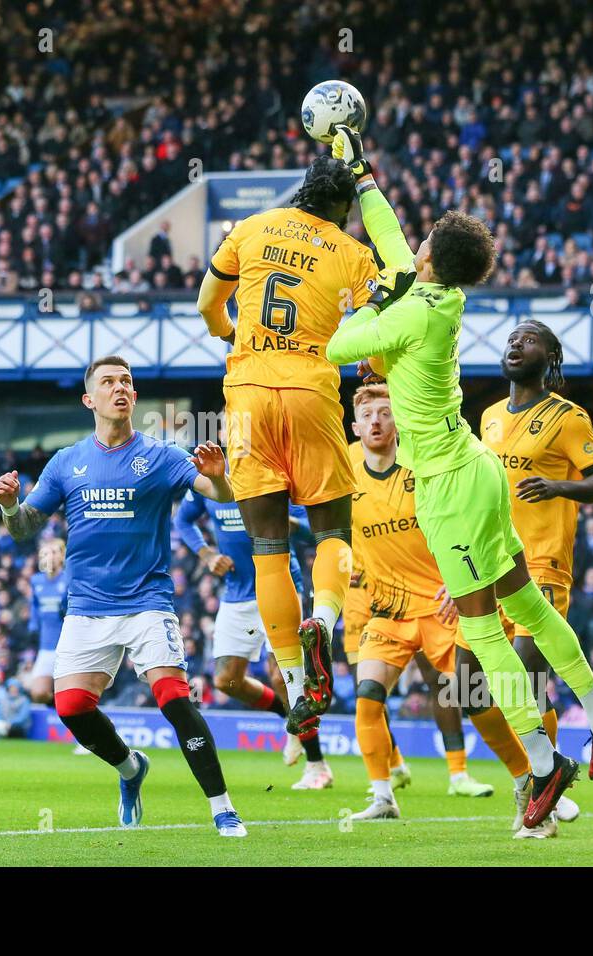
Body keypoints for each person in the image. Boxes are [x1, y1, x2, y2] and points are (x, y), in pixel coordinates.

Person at [324, 125, 593, 829]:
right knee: (527, 608)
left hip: (449, 486)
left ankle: (543, 763)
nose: (412, 248)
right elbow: (390, 237)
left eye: (420, 245)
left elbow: (340, 347)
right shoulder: (438, 299)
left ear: (431, 256)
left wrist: (369, 301)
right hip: (479, 469)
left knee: (485, 634)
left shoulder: (406, 315)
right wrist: (361, 173)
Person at [0, 355, 247, 836]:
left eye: (127, 381)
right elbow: (26, 528)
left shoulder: (160, 455)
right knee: (69, 706)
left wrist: (217, 476)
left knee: (174, 697)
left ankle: (222, 807)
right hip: (88, 607)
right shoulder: (67, 462)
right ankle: (131, 768)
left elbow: (221, 497)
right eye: (108, 382)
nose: (120, 387)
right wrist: (9, 506)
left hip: (148, 600)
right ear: (90, 399)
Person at [196, 156, 380, 739]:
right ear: (344, 209)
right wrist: (372, 369)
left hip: (247, 396)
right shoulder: (353, 252)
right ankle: (322, 620)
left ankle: (298, 689)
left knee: (268, 548)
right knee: (331, 535)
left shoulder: (249, 228)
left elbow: (208, 305)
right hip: (311, 391)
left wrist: (231, 337)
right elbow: (375, 337)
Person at [343, 385, 542, 835]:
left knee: (475, 699)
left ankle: (528, 778)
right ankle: (382, 796)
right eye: (367, 415)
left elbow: (463, 514)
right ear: (355, 427)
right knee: (368, 696)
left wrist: (462, 580)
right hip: (388, 610)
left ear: (399, 424)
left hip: (443, 604)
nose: (376, 421)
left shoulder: (424, 462)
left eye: (386, 414)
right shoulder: (344, 465)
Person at [479, 318, 593, 823]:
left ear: (550, 355)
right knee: (473, 685)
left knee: (524, 674)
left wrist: (559, 487)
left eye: (530, 338)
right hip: (491, 564)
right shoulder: (490, 417)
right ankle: (547, 767)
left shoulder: (568, 417)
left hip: (543, 560)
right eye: (512, 338)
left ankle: (544, 787)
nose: (517, 344)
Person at [175, 483, 335, 788]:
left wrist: (277, 519)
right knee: (227, 681)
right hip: (237, 594)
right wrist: (207, 554)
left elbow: (310, 531)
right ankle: (288, 718)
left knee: (283, 677)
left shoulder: (272, 476)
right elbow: (182, 520)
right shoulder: (208, 482)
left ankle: (317, 766)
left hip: (282, 587)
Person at [28, 537, 69, 704]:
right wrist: (32, 627)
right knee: (37, 693)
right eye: (45, 553)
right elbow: (35, 607)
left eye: (53, 552)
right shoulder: (36, 580)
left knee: (70, 696)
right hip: (45, 646)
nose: (48, 556)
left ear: (61, 556)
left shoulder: (68, 579)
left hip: (66, 648)